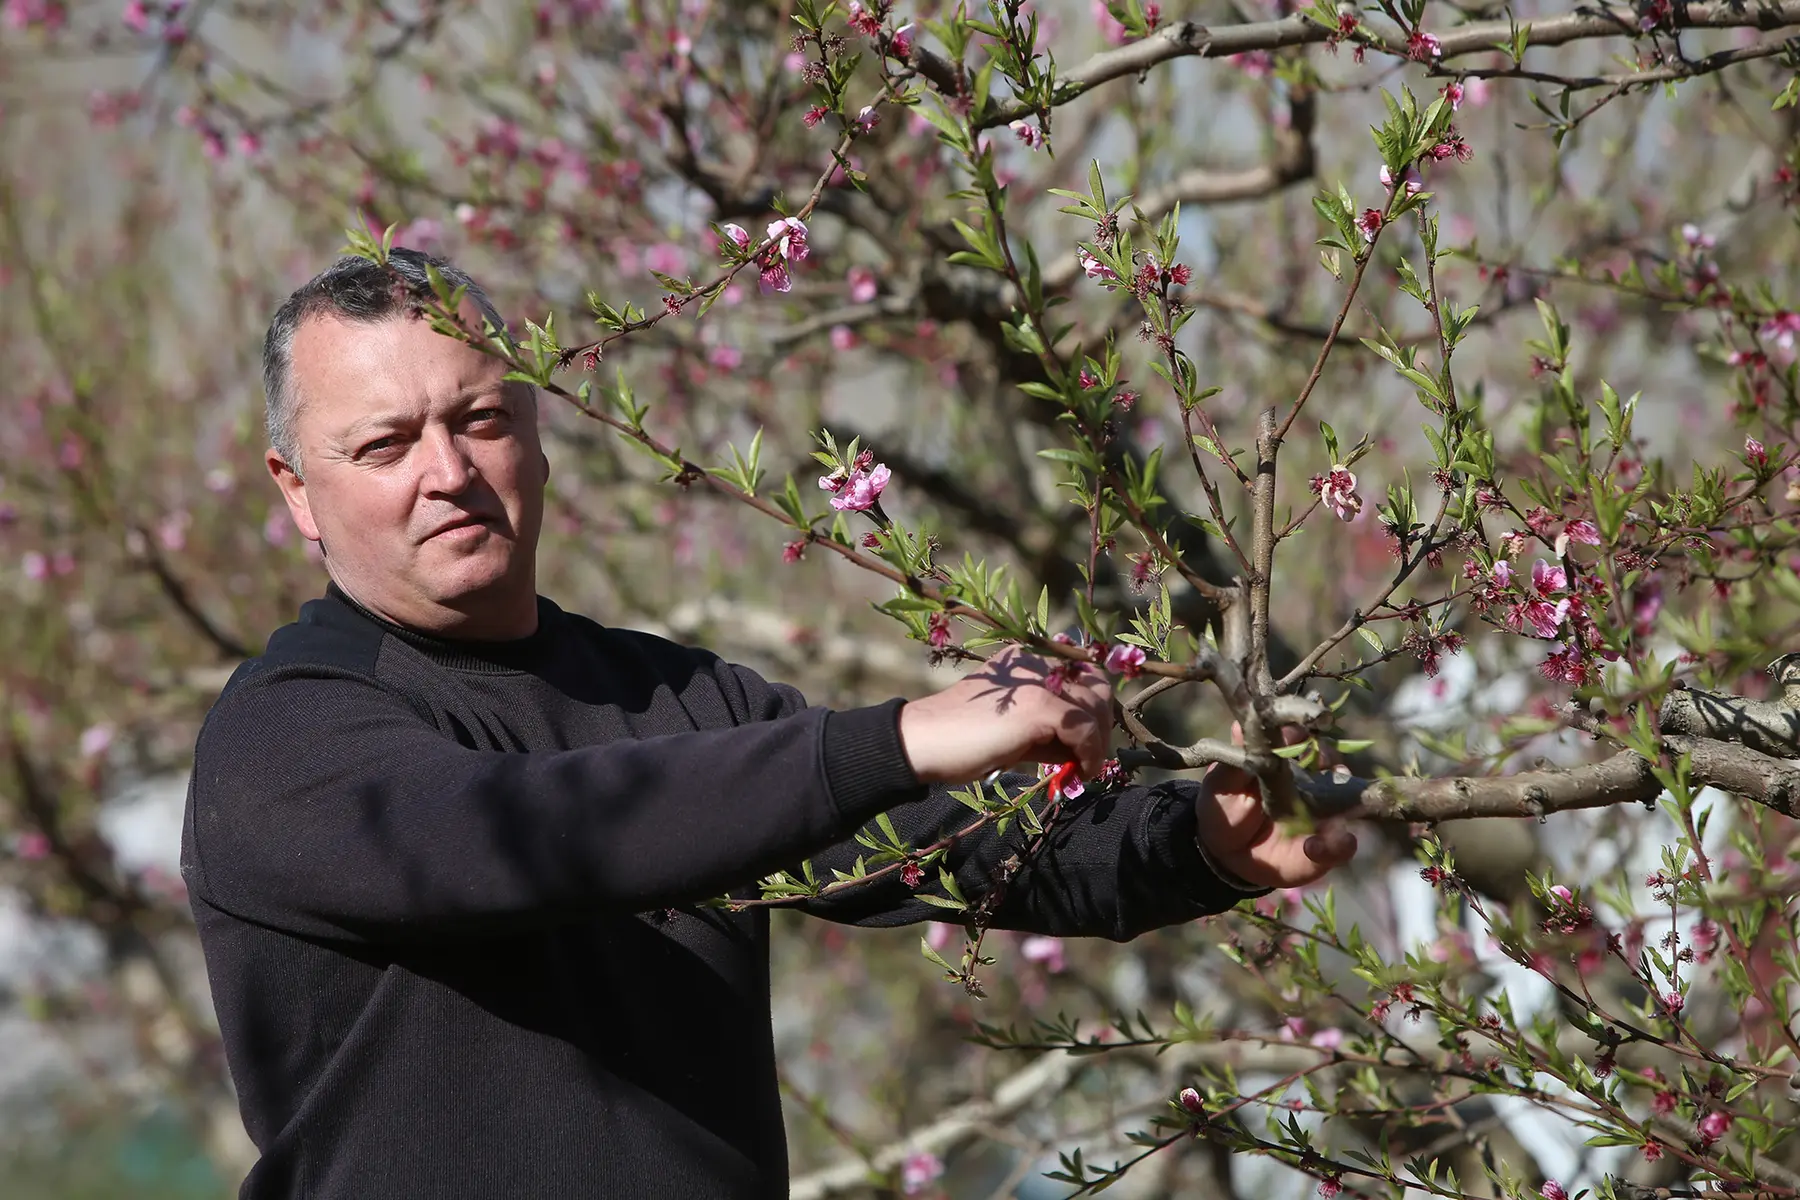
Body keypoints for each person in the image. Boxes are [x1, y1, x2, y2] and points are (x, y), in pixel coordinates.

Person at [181, 248, 1357, 1198]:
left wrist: (1202, 841)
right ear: (297, 488)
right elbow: (522, 835)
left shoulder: (678, 701)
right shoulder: (283, 740)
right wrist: (886, 739)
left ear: (535, 430)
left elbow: (970, 851)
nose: (447, 470)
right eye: (383, 444)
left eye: (480, 418)